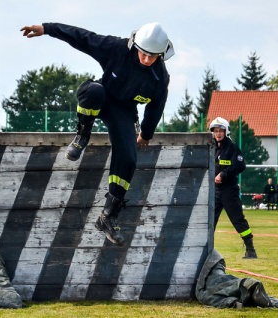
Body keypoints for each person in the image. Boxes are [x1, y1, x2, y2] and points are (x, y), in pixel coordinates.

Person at [20, 22, 174, 245]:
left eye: (153, 56)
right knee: (92, 91)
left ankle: (108, 216)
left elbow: (156, 107)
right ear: (135, 45)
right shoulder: (116, 48)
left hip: (123, 112)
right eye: (143, 53)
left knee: (129, 159)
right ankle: (82, 135)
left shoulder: (160, 78)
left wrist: (146, 134)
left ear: (162, 54)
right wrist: (46, 28)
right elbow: (82, 37)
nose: (147, 60)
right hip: (102, 98)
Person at [209, 117, 257, 259]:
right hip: (215, 191)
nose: (218, 134)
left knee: (238, 220)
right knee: (209, 222)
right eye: (216, 131)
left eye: (220, 131)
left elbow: (240, 166)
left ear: (226, 131)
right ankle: (207, 251)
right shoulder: (212, 148)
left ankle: (250, 249)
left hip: (229, 190)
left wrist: (223, 174)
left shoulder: (232, 147)